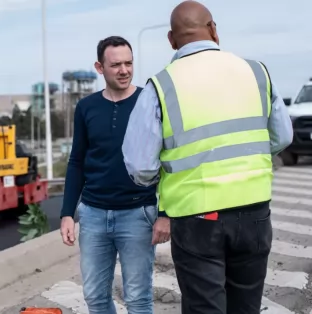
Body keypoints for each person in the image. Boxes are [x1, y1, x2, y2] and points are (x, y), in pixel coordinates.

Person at [121, 1, 293, 313]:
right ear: (214, 30)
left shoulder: (162, 86)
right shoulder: (257, 73)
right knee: (246, 306)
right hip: (254, 213)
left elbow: (140, 167)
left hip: (196, 217)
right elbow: (283, 137)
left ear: (172, 40)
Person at [59, 35, 169, 314]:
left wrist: (165, 213)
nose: (124, 70)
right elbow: (76, 162)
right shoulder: (86, 107)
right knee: (95, 297)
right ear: (100, 67)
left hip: (138, 214)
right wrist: (67, 213)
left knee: (138, 299)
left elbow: (168, 161)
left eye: (129, 63)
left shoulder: (150, 102)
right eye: (116, 64)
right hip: (93, 215)